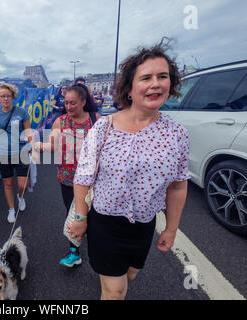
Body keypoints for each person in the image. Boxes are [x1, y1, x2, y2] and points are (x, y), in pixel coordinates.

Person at [69, 42, 189, 300]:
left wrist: (171, 228)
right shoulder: (103, 127)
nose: (156, 84)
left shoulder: (177, 134)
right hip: (106, 224)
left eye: (162, 76)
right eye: (146, 78)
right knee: (113, 291)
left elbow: (178, 185)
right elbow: (83, 177)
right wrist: (80, 218)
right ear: (130, 88)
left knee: (129, 278)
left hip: (144, 226)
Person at [35, 83, 99, 267]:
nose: (69, 107)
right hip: (67, 178)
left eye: (73, 103)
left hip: (93, 181)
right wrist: (38, 146)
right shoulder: (60, 121)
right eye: (66, 103)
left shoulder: (96, 120)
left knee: (94, 217)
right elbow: (52, 146)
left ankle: (96, 250)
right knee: (73, 215)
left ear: (83, 102)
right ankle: (74, 252)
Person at [0, 83, 34, 223]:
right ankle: (11, 209)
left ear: (13, 96)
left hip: (21, 153)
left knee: (23, 185)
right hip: (4, 154)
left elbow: (29, 132)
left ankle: (20, 197)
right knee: (8, 184)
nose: (5, 99)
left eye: (8, 96)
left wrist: (32, 146)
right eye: (2, 96)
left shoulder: (21, 112)